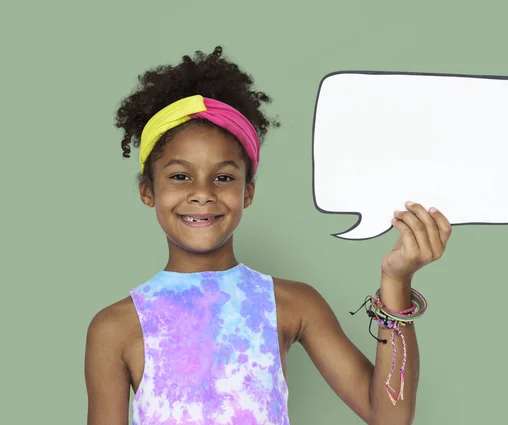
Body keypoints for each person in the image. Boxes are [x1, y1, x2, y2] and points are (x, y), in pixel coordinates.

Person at [84, 46, 452, 425]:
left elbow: (390, 417)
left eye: (223, 177)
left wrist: (396, 280)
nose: (203, 192)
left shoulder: (294, 304)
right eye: (180, 176)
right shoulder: (115, 328)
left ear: (248, 192)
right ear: (148, 191)